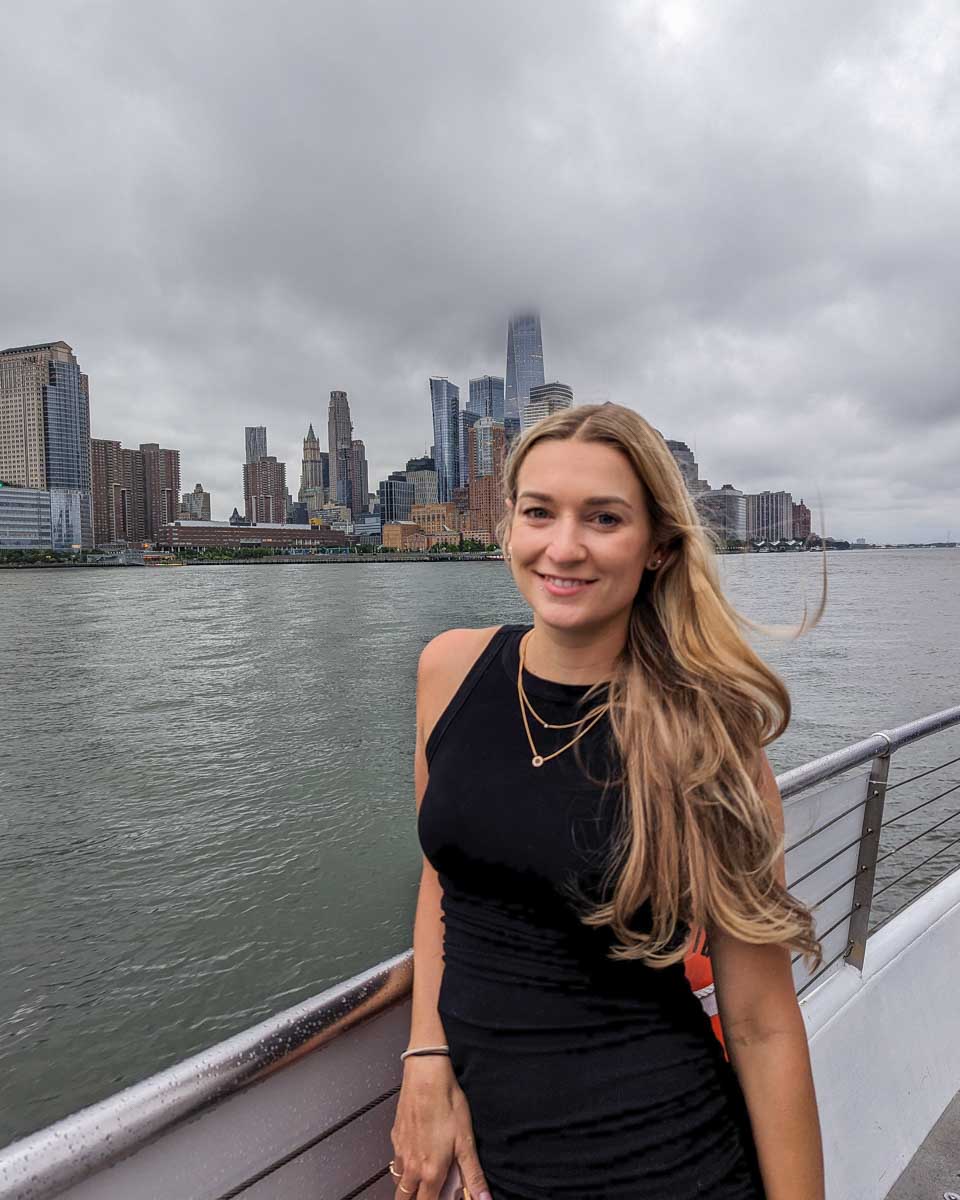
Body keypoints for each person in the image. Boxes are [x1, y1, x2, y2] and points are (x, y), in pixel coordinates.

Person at [390, 403, 826, 1199]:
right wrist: (425, 1055)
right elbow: (441, 879)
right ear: (509, 527)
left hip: (670, 1163)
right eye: (539, 512)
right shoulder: (447, 670)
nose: (564, 547)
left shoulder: (708, 731)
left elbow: (762, 1022)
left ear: (658, 546)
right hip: (499, 1165)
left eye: (604, 518)